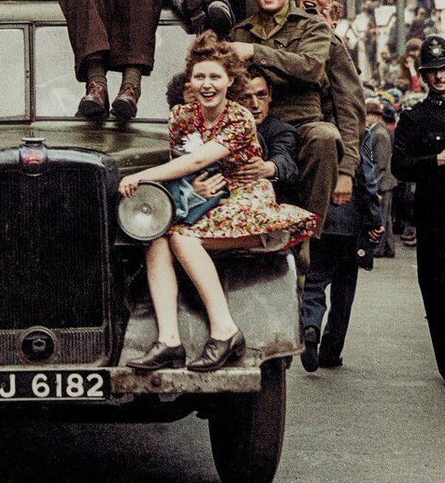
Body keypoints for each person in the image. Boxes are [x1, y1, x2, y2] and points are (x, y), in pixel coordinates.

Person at [122, 34, 317, 373]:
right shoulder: (182, 117)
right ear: (190, 80)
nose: (207, 84)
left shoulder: (239, 118)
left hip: (246, 198)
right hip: (208, 201)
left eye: (215, 77)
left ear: (230, 80)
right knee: (155, 239)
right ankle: (168, 341)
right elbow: (185, 167)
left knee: (180, 237)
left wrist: (142, 176)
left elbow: (198, 160)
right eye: (199, 76)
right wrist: (191, 185)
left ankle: (225, 329)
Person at [230, 0, 345, 237]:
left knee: (325, 136)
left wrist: (256, 53)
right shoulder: (241, 32)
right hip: (258, 126)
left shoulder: (313, 27)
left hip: (301, 123)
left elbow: (311, 67)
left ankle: (307, 234)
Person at [390, 34, 445, 388]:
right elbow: (399, 165)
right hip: (436, 217)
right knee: (440, 292)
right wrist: (438, 160)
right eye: (433, 71)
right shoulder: (414, 118)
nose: (440, 77)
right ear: (424, 76)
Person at [300, 110, 384, 372]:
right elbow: (367, 178)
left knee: (314, 280)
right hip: (350, 221)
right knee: (344, 289)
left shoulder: (314, 131)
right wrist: (375, 219)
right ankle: (331, 350)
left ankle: (310, 325)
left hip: (320, 217)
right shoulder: (359, 134)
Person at [292, 0, 366, 220]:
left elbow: (350, 110)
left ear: (330, 2)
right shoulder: (282, 34)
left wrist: (346, 170)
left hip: (323, 157)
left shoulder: (331, 44)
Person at [238, 67, 301, 197]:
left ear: (270, 94)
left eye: (261, 95)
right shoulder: (222, 126)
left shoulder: (281, 130)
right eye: (246, 97)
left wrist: (269, 167)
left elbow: (285, 157)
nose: (255, 104)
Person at [367, 99, 397, 258]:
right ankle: (389, 248)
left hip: (383, 183)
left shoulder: (378, 133)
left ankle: (378, 250)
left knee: (381, 218)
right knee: (386, 218)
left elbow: (380, 163)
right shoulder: (380, 130)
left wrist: (374, 186)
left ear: (375, 115)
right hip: (386, 182)